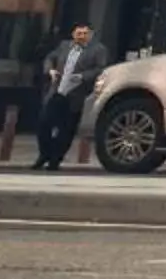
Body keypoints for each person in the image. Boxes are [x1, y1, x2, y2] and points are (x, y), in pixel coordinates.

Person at [35, 23, 110, 171]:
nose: (81, 36)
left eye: (84, 33)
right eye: (78, 33)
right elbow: (50, 57)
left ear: (91, 35)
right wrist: (50, 70)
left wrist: (82, 77)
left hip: (77, 93)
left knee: (66, 129)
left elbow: (101, 69)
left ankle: (55, 160)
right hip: (57, 90)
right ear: (73, 34)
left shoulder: (98, 50)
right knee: (44, 123)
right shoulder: (64, 46)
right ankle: (44, 154)